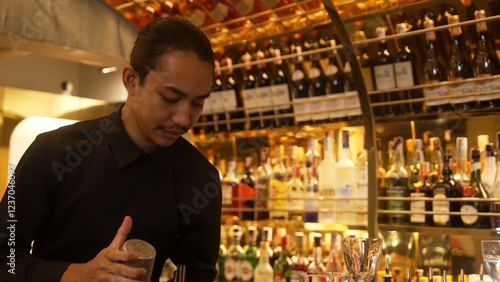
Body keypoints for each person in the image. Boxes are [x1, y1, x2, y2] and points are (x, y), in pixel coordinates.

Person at [0, 16, 221, 282]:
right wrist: (79, 274)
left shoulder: (200, 178)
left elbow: (196, 274)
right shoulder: (51, 152)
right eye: (170, 98)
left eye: (197, 103)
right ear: (131, 81)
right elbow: (5, 258)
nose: (184, 119)